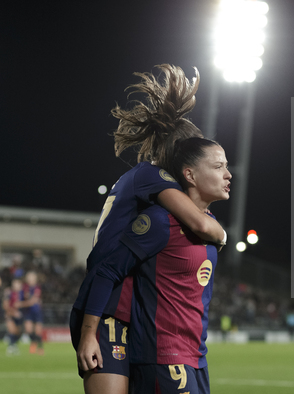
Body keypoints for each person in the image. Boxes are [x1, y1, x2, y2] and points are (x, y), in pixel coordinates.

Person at [70, 65, 227, 394]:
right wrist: (221, 234)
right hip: (106, 306)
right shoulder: (154, 178)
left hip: (125, 308)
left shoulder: (141, 181)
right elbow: (199, 222)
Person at [127, 137, 231, 393]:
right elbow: (107, 269)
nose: (228, 175)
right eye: (218, 167)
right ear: (190, 175)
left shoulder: (211, 225)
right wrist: (91, 333)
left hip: (196, 358)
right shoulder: (160, 221)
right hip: (164, 357)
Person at [21, 271, 44, 354]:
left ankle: (40, 348)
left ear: (35, 279)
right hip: (28, 312)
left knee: (38, 331)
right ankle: (33, 343)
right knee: (29, 329)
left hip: (36, 311)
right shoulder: (25, 288)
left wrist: (20, 304)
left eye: (31, 277)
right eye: (29, 277)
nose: (30, 279)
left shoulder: (37, 288)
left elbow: (33, 301)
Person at [3, 277, 24, 355]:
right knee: (12, 330)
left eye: (19, 284)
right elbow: (5, 306)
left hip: (18, 315)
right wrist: (13, 312)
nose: (18, 285)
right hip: (10, 314)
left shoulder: (21, 293)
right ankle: (10, 347)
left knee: (18, 332)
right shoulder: (9, 292)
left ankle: (13, 346)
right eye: (16, 284)